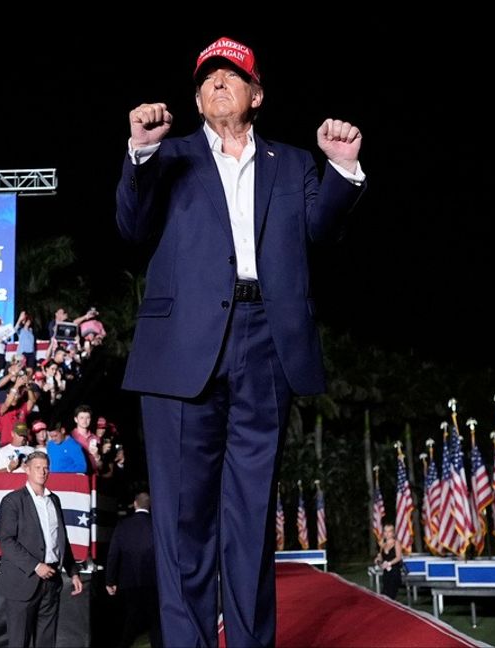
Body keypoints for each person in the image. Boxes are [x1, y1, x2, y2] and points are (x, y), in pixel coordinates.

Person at [116, 36, 365, 647]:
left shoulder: (292, 162)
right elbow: (132, 224)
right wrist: (141, 153)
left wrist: (341, 167)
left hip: (267, 346)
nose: (218, 81)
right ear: (197, 99)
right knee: (182, 523)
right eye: (207, 76)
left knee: (250, 519)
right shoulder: (169, 157)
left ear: (257, 94)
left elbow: (323, 230)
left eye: (232, 73)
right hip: (181, 353)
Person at [0, 451, 83, 647]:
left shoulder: (54, 500)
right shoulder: (13, 501)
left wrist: (73, 572)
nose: (43, 472)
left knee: (46, 641)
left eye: (46, 468)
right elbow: (6, 541)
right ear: (27, 470)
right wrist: (35, 566)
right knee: (20, 642)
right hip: (23, 582)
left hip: (51, 580)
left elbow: (61, 540)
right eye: (37, 468)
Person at [106, 492, 160, 648]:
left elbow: (113, 554)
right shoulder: (156, 525)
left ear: (135, 504)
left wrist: (110, 580)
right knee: (155, 623)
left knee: (130, 620)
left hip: (128, 582)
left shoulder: (123, 525)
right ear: (149, 506)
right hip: (153, 582)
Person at [375, 523, 404, 599]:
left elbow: (398, 557)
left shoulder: (396, 543)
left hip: (394, 572)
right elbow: (381, 557)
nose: (387, 534)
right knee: (384, 595)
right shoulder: (383, 545)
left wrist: (389, 563)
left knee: (391, 595)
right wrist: (378, 560)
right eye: (385, 531)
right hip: (386, 574)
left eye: (389, 531)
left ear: (393, 533)